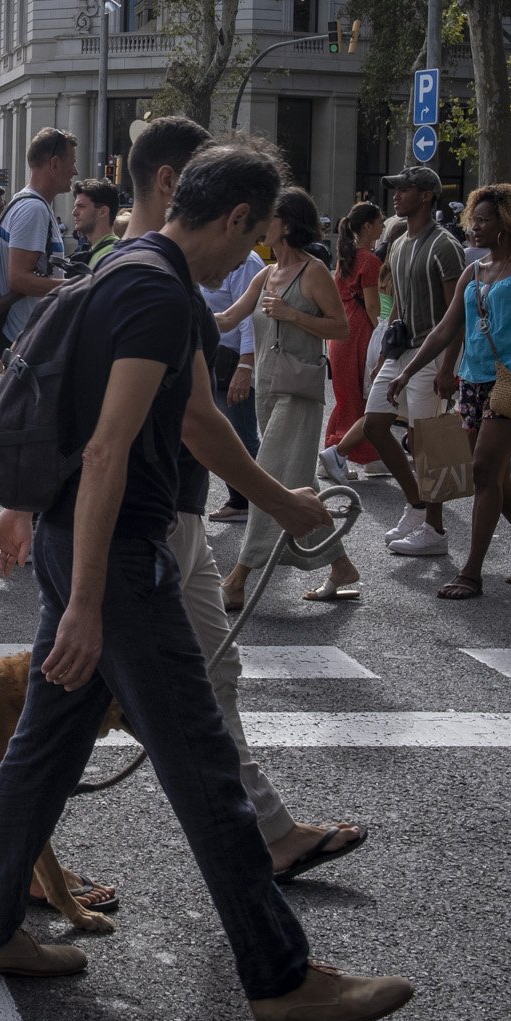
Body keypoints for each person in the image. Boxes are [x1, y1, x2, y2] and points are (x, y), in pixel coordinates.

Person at [0, 142, 412, 1021]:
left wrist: (281, 500)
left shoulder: (123, 266)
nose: (248, 261)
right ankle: (280, 974)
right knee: (202, 762)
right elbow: (108, 449)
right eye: (251, 241)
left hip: (72, 540)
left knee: (45, 747)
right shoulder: (162, 293)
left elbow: (194, 418)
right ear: (237, 219)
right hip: (116, 556)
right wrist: (88, 600)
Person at [95, 119, 370, 895]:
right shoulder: (152, 278)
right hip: (143, 521)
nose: (244, 256)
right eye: (244, 231)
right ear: (180, 187)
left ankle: (267, 838)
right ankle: (6, 885)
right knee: (80, 705)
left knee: (201, 677)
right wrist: (282, 501)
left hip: (164, 515)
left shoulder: (146, 273)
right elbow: (169, 427)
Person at [389, 184, 511, 600]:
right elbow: (445, 329)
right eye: (474, 218)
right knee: (490, 471)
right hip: (475, 381)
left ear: (508, 223)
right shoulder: (475, 270)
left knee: (485, 469)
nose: (474, 227)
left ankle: (471, 572)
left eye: (483, 220)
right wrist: (406, 371)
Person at [215, 189, 360, 606]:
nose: (262, 220)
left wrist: (294, 315)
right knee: (294, 482)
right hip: (268, 390)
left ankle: (239, 578)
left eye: (269, 215)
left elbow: (340, 329)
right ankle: (340, 564)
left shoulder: (313, 273)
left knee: (268, 479)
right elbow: (227, 318)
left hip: (299, 393)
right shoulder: (267, 273)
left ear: (288, 224)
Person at [360, 167, 465, 559]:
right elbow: (401, 307)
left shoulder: (444, 245)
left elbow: (459, 314)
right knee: (374, 423)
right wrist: (386, 357)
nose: (396, 195)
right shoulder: (400, 242)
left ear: (426, 195)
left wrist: (448, 368)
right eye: (396, 189)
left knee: (429, 442)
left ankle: (435, 530)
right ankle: (417, 505)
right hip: (403, 351)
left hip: (434, 356)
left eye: (404, 189)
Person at [316, 202, 385, 485]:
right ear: (367, 226)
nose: (383, 226)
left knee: (347, 395)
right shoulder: (370, 260)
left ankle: (337, 453)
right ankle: (346, 454)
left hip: (341, 332)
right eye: (380, 221)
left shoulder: (346, 258)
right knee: (365, 396)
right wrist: (384, 332)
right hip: (360, 332)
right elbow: (373, 306)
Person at [0, 128, 77, 353]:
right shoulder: (34, 209)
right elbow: (19, 279)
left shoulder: (28, 203)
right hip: (25, 341)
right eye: (72, 163)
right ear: (55, 164)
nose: (75, 171)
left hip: (25, 339)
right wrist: (77, 286)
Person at [201, 245, 264, 524]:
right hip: (215, 359)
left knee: (242, 434)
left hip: (234, 360)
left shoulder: (246, 261)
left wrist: (245, 365)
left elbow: (249, 318)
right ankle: (241, 501)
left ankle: (261, 503)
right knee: (222, 434)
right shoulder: (215, 253)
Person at [69, 178, 121, 268]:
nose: (74, 212)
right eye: (75, 207)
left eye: (81, 206)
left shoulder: (110, 255)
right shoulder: (98, 250)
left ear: (103, 212)